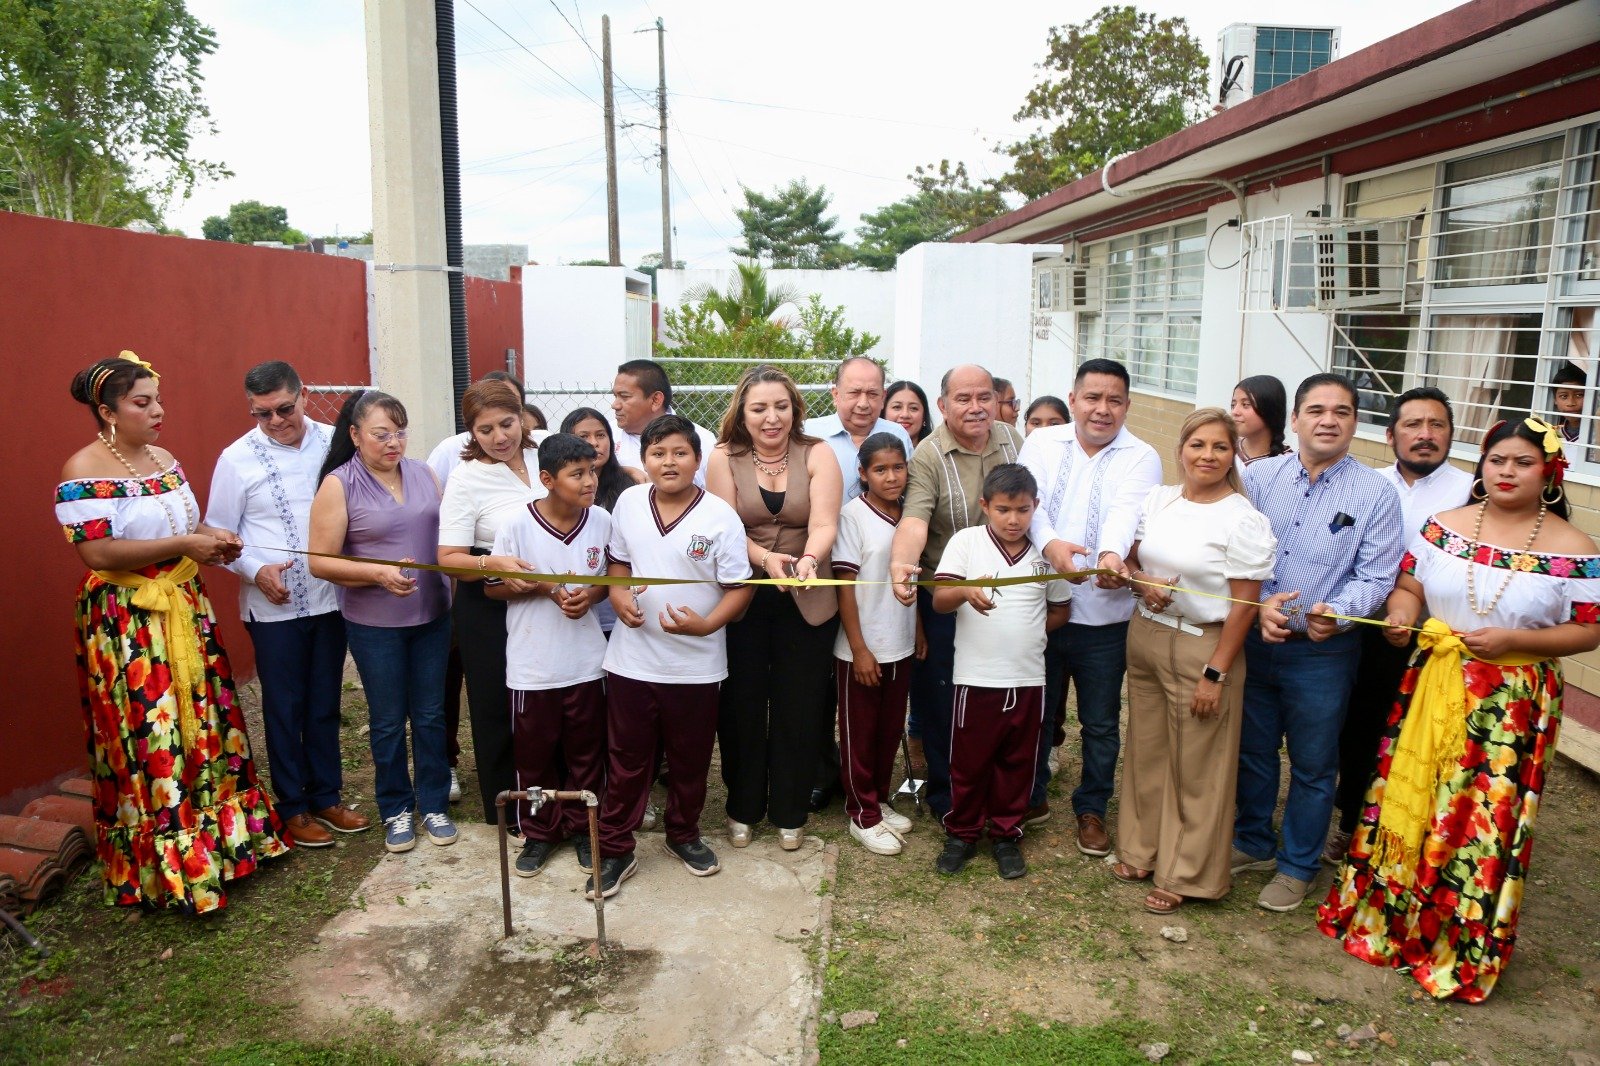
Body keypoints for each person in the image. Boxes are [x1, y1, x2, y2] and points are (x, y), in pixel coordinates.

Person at [1319, 416, 1600, 1002]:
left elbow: (1588, 630)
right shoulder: (1442, 527)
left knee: (1478, 818)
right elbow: (1408, 587)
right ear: (1482, 466)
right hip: (1433, 684)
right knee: (1419, 798)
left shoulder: (1576, 549)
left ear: (1549, 473)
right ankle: (1390, 918)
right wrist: (1401, 616)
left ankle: (1455, 937)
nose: (1507, 472)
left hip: (1511, 703)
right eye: (1497, 460)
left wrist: (1514, 641)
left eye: (1523, 462)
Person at [57, 351, 286, 912]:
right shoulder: (81, 471)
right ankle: (168, 860)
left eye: (158, 400)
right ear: (108, 411)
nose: (159, 411)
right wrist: (186, 544)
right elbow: (97, 552)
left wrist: (212, 538)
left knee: (204, 719)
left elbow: (185, 524)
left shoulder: (164, 459)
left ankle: (222, 844)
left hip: (184, 604)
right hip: (130, 620)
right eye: (143, 402)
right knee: (151, 727)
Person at [1233, 373, 1404, 912]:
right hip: (1256, 640)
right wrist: (1259, 605)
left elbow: (1377, 575)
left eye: (1342, 412)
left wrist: (1341, 613)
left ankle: (1297, 865)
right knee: (1253, 750)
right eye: (1316, 410)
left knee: (1313, 763)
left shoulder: (1376, 492)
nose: (1328, 421)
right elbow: (1236, 549)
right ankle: (1252, 841)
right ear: (1296, 419)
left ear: (1355, 422)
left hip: (1322, 652)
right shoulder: (1259, 478)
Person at [1103, 409, 1276, 913]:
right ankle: (1141, 850)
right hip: (1147, 635)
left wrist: (1215, 673)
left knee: (1198, 764)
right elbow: (1132, 559)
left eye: (1220, 447)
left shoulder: (1242, 519)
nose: (1207, 455)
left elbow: (1244, 606)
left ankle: (1186, 872)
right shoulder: (1160, 500)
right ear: (1180, 450)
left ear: (1233, 455)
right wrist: (1142, 582)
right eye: (1198, 445)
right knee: (1147, 750)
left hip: (1205, 645)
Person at [588, 415, 754, 899]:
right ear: (644, 460)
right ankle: (616, 848)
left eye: (680, 453)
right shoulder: (629, 502)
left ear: (697, 460)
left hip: (695, 667)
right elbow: (618, 563)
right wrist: (618, 595)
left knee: (689, 758)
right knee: (626, 758)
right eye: (658, 453)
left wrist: (708, 624)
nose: (669, 462)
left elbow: (740, 588)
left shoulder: (720, 516)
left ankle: (683, 834)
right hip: (631, 661)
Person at [206, 360, 368, 850]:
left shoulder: (335, 442)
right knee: (284, 706)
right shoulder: (236, 459)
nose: (276, 421)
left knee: (324, 702)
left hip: (329, 597)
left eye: (284, 408)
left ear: (303, 396)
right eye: (263, 413)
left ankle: (327, 796)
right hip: (272, 607)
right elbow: (218, 533)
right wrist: (256, 570)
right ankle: (292, 806)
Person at [1019, 358, 1161, 856]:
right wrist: (1052, 545)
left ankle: (1092, 807)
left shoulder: (1142, 456)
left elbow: (1126, 514)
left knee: (1100, 722)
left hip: (1105, 617)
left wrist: (1110, 557)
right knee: (1036, 712)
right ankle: (1030, 795)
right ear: (1074, 399)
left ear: (1127, 405)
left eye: (1114, 400)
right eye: (1093, 398)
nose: (1103, 409)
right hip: (1043, 608)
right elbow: (1030, 505)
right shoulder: (1042, 442)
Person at [1325, 387, 1472, 865]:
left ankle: (1422, 831)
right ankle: (1351, 821)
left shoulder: (1471, 492)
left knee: (1426, 738)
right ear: (1390, 435)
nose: (1425, 435)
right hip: (1369, 630)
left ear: (1450, 435)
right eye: (1413, 425)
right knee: (1361, 729)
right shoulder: (1367, 486)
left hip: (1441, 641)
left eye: (1436, 425)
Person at [309, 390, 456, 854]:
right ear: (355, 435)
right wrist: (377, 573)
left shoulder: (424, 473)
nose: (394, 443)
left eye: (400, 433)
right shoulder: (339, 484)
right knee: (389, 719)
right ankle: (396, 808)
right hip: (375, 623)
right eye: (381, 434)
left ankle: (434, 803)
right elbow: (319, 561)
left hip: (433, 614)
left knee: (431, 714)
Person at [709, 365, 842, 850]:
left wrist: (808, 559)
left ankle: (790, 810)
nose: (772, 417)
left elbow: (824, 523)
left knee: (800, 706)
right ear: (742, 413)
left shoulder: (818, 452)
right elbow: (725, 528)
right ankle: (743, 807)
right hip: (743, 595)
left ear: (795, 409)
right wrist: (766, 560)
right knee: (741, 705)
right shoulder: (723, 457)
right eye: (760, 408)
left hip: (807, 594)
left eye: (781, 406)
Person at [890, 364, 1025, 823]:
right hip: (946, 595)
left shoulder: (1013, 440)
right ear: (943, 405)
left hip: (1007, 593)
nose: (975, 407)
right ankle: (948, 796)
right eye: (963, 399)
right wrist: (902, 565)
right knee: (944, 698)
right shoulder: (927, 454)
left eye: (984, 397)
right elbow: (915, 519)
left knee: (999, 695)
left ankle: (998, 791)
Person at [930, 464, 1072, 879]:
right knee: (969, 762)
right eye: (1004, 509)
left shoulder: (1046, 556)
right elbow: (939, 600)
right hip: (976, 678)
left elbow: (1060, 609)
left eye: (1023, 510)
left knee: (1019, 760)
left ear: (1035, 507)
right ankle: (962, 832)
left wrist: (1027, 632)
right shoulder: (967, 542)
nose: (1014, 519)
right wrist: (965, 590)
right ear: (985, 505)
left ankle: (1007, 834)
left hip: (1028, 679)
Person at [489, 434, 611, 877]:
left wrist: (589, 595)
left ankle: (584, 829)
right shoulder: (516, 525)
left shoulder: (601, 520)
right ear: (547, 479)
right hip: (533, 666)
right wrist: (543, 587)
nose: (589, 481)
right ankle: (539, 832)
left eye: (592, 471)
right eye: (577, 474)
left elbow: (608, 581)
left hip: (587, 663)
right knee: (535, 755)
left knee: (587, 753)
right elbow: (493, 588)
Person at [425, 369, 538, 804]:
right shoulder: (466, 477)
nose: (499, 437)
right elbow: (449, 558)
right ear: (471, 432)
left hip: (549, 597)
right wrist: (494, 562)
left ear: (521, 417)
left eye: (506, 424)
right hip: (488, 602)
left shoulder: (547, 452)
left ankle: (554, 797)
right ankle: (506, 802)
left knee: (550, 699)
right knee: (495, 703)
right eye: (485, 430)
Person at [833, 433, 919, 856]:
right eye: (880, 469)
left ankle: (879, 799)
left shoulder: (911, 515)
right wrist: (859, 649)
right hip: (862, 647)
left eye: (898, 467)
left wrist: (919, 629)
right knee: (860, 733)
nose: (891, 476)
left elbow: (914, 577)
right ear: (863, 473)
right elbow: (844, 587)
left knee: (889, 729)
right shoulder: (853, 516)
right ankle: (861, 813)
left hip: (900, 640)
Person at [561, 406, 647, 639]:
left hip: (625, 609)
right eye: (584, 436)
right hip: (575, 610)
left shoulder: (631, 486)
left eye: (601, 435)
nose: (595, 443)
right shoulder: (557, 495)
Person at [804, 357, 914, 503]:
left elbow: (912, 491)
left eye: (872, 394)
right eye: (854, 393)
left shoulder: (897, 434)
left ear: (883, 397)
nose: (863, 404)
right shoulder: (809, 433)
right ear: (836, 395)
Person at [610, 358, 717, 485]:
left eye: (624, 397)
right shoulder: (605, 435)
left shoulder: (703, 440)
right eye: (615, 396)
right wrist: (621, 472)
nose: (615, 405)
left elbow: (715, 493)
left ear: (656, 400)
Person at [1230, 375, 1290, 466]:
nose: (1235, 412)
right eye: (1233, 405)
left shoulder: (1290, 463)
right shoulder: (1226, 451)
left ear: (1269, 409)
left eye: (1245, 404)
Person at [883, 379, 934, 446]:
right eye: (897, 407)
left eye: (913, 408)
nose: (905, 415)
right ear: (883, 410)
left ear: (924, 415)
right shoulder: (869, 450)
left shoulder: (936, 451)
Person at [1551, 362, 1586, 444]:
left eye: (1579, 395)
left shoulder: (1595, 433)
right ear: (1555, 400)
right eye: (1564, 396)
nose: (1571, 403)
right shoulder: (1552, 433)